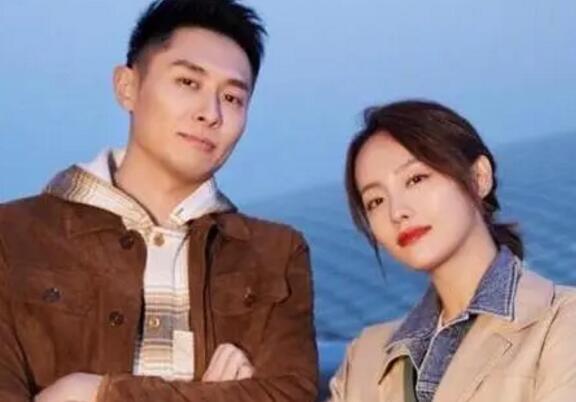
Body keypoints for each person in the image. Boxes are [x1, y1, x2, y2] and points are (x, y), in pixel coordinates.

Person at [0, 1, 318, 401]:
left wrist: (96, 393)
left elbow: (290, 393)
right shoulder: (13, 236)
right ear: (127, 87)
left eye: (232, 98)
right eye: (188, 82)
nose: (210, 113)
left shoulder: (275, 253)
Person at [328, 100, 576, 401]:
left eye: (415, 179)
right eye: (376, 201)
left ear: (479, 177)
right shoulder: (363, 358)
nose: (397, 212)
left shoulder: (561, 323)